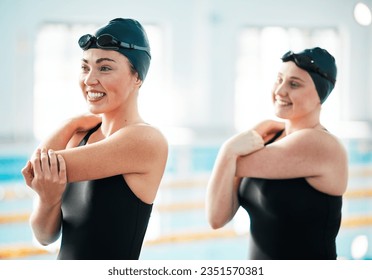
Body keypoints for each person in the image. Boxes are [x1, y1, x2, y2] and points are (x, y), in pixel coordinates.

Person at [21, 18, 168, 260]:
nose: (89, 80)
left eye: (105, 68)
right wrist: (48, 200)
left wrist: (68, 125)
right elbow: (44, 236)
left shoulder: (146, 140)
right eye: (85, 67)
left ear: (137, 78)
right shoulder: (79, 136)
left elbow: (35, 171)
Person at [206, 47, 348, 260]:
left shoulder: (321, 144)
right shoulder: (271, 138)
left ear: (321, 94)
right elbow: (217, 218)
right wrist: (233, 152)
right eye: (279, 79)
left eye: (294, 84)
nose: (280, 91)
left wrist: (229, 149)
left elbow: (230, 162)